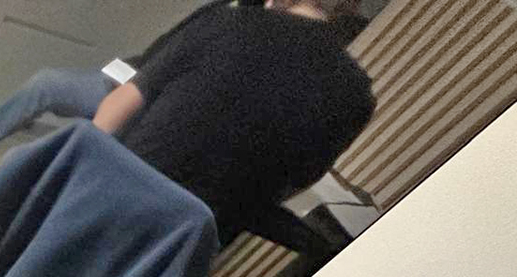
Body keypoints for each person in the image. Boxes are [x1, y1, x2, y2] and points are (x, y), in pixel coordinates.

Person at [89, 0, 376, 244]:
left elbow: (123, 102)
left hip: (115, 196)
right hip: (184, 240)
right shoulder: (356, 97)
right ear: (349, 8)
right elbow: (295, 184)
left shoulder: (228, 22)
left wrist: (80, 169)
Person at [0, 1, 250, 164]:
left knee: (86, 140)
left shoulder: (250, 37)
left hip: (157, 107)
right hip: (132, 78)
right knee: (48, 82)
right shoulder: (220, 10)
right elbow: (165, 51)